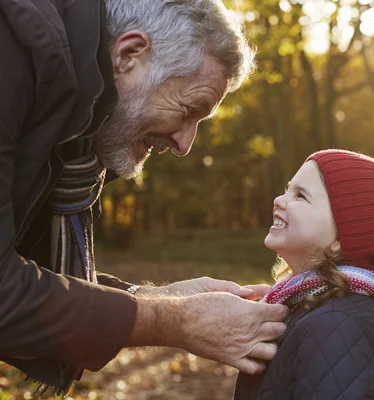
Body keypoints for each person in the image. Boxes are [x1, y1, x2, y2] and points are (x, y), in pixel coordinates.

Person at [0, 0, 288, 396]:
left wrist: (156, 298)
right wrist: (174, 321)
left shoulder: (72, 126)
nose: (185, 144)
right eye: (188, 110)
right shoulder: (11, 56)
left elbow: (29, 270)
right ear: (129, 54)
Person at [233, 149, 374, 399]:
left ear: (341, 238)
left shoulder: (340, 326)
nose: (279, 200)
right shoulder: (308, 307)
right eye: (288, 189)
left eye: (300, 195)